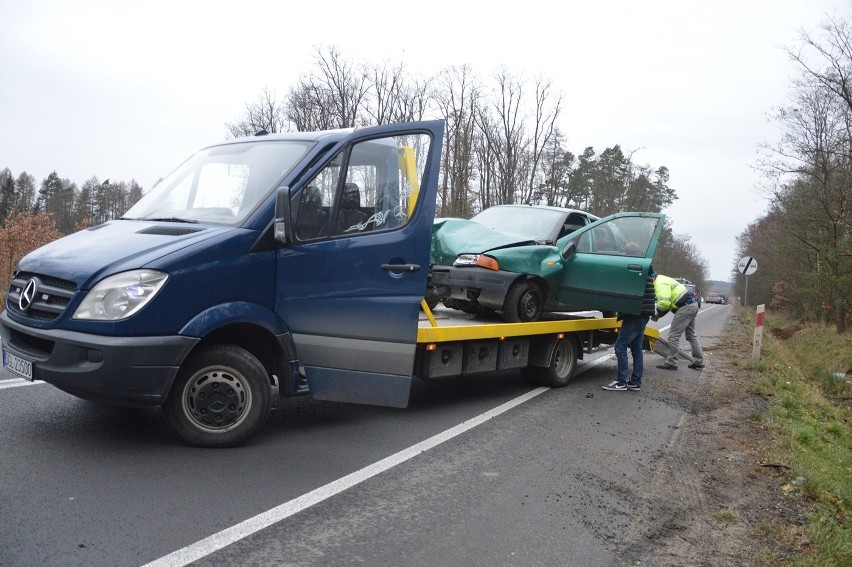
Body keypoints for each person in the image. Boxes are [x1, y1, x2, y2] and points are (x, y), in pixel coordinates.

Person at [603, 262, 656, 391]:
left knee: (620, 347)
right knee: (637, 349)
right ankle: (635, 382)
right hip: (643, 316)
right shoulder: (648, 278)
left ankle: (621, 382)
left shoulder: (637, 278)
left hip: (634, 316)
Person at [651, 270, 705, 370]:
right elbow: (668, 304)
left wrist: (657, 314)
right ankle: (699, 361)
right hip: (692, 305)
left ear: (650, 277)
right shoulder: (663, 278)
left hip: (685, 308)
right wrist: (658, 315)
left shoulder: (659, 283)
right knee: (691, 335)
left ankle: (672, 362)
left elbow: (664, 303)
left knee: (673, 336)